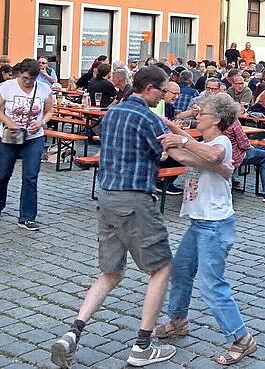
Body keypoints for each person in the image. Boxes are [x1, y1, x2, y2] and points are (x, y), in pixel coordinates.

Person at [51, 66, 176, 368]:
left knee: (111, 273)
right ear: (149, 88)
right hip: (134, 198)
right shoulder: (147, 118)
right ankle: (142, 346)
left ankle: (72, 332)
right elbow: (164, 153)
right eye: (162, 91)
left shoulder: (113, 112)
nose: (163, 97)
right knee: (161, 268)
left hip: (106, 197)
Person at [155, 94, 258, 365]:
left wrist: (179, 141)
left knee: (212, 283)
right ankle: (177, 320)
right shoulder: (205, 143)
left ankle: (242, 338)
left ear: (217, 119)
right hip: (198, 223)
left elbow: (211, 155)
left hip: (214, 225)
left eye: (203, 113)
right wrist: (168, 129)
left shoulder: (221, 142)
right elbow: (192, 155)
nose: (197, 115)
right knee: (181, 271)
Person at [0, 58, 53, 231]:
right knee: (3, 174)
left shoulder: (44, 89)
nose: (28, 82)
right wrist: (8, 121)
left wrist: (41, 122)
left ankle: (27, 217)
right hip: (10, 136)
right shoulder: (6, 87)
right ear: (19, 74)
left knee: (30, 176)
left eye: (32, 79)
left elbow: (49, 110)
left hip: (34, 137)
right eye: (25, 78)